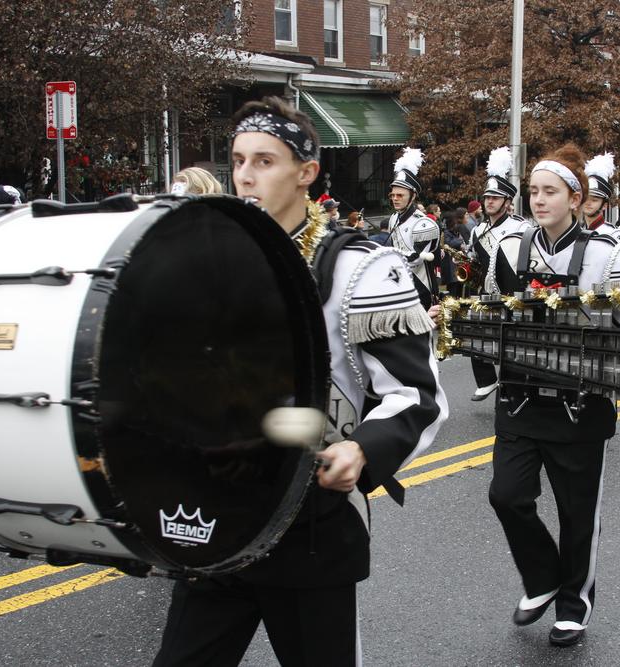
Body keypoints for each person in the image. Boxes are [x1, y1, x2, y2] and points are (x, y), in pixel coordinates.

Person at [152, 96, 447, 667]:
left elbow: (416, 398)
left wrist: (361, 449)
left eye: (264, 161)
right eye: (238, 160)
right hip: (219, 519)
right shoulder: (213, 258)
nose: (244, 175)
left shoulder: (361, 268)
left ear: (306, 173)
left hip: (308, 522)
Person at [487, 143, 620, 648]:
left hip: (580, 405)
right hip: (521, 398)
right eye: (533, 191)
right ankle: (543, 577)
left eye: (550, 191)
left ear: (576, 199)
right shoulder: (508, 247)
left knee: (577, 514)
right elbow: (489, 306)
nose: (539, 200)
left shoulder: (606, 251)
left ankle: (574, 603)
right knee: (505, 494)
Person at [469, 146, 531, 400]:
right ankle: (487, 380)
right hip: (488, 293)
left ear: (508, 202)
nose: (489, 202)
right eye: (487, 198)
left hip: (516, 293)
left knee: (512, 346)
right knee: (475, 336)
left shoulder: (523, 227)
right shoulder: (477, 231)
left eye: (495, 198)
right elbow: (476, 263)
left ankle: (510, 389)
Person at [385, 148, 441, 309]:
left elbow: (415, 260)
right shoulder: (394, 218)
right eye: (393, 195)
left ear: (413, 195)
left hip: (420, 289)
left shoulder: (424, 224)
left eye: (400, 195)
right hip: (400, 284)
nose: (395, 199)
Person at [581, 153, 620, 243]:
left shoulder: (614, 235)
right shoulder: (576, 232)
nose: (588, 202)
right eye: (586, 198)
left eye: (594, 200)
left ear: (605, 205)